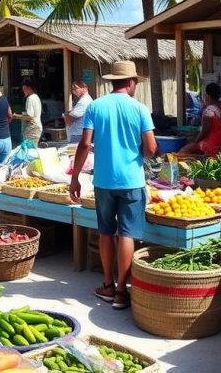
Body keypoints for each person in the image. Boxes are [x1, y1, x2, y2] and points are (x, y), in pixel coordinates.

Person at [69, 61, 156, 310]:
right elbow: (150, 149)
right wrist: (138, 151)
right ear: (130, 83)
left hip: (103, 181)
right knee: (127, 234)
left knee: (106, 232)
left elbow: (85, 144)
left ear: (112, 82)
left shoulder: (95, 106)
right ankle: (121, 291)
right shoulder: (140, 108)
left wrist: (75, 177)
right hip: (131, 181)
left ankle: (107, 285)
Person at [179, 83, 221, 156]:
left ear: (208, 96)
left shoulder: (209, 111)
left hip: (213, 145)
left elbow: (204, 132)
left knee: (184, 150)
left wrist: (194, 142)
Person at [18, 78, 43, 144]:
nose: (24, 91)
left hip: (32, 129)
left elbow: (29, 116)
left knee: (29, 152)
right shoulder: (36, 97)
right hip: (37, 128)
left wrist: (16, 116)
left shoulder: (30, 98)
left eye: (24, 89)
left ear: (29, 88)